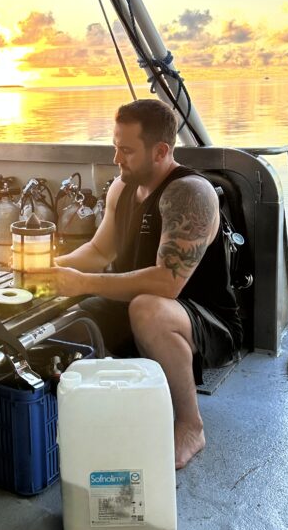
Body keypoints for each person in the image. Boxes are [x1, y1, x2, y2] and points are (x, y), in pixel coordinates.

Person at [49, 98, 242, 469]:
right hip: (137, 305)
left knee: (148, 309)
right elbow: (99, 250)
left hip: (204, 319)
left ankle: (190, 425)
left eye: (126, 150)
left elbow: (166, 284)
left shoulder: (189, 194)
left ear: (161, 151)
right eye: (115, 146)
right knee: (68, 316)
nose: (116, 158)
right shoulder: (122, 188)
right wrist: (47, 268)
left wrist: (83, 282)